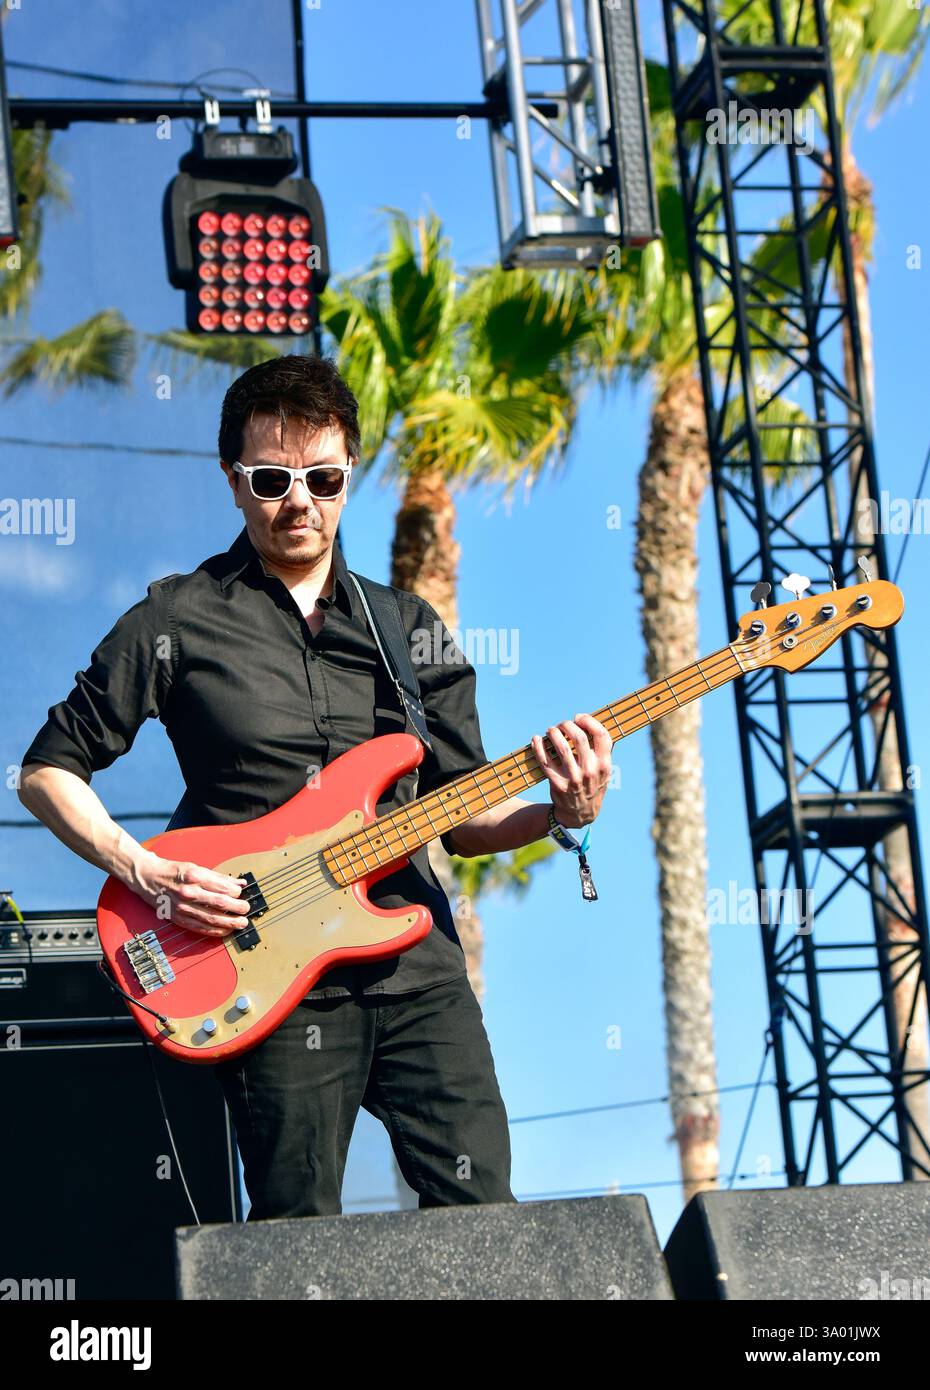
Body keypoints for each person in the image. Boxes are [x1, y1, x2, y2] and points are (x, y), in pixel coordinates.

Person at [18, 354, 613, 1219]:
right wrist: (143, 870)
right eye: (271, 479)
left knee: (485, 1213)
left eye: (324, 478)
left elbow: (466, 814)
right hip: (260, 975)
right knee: (298, 1237)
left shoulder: (408, 628)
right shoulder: (176, 618)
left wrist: (562, 812)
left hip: (417, 973)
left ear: (349, 476)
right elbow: (46, 769)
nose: (299, 500)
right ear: (232, 482)